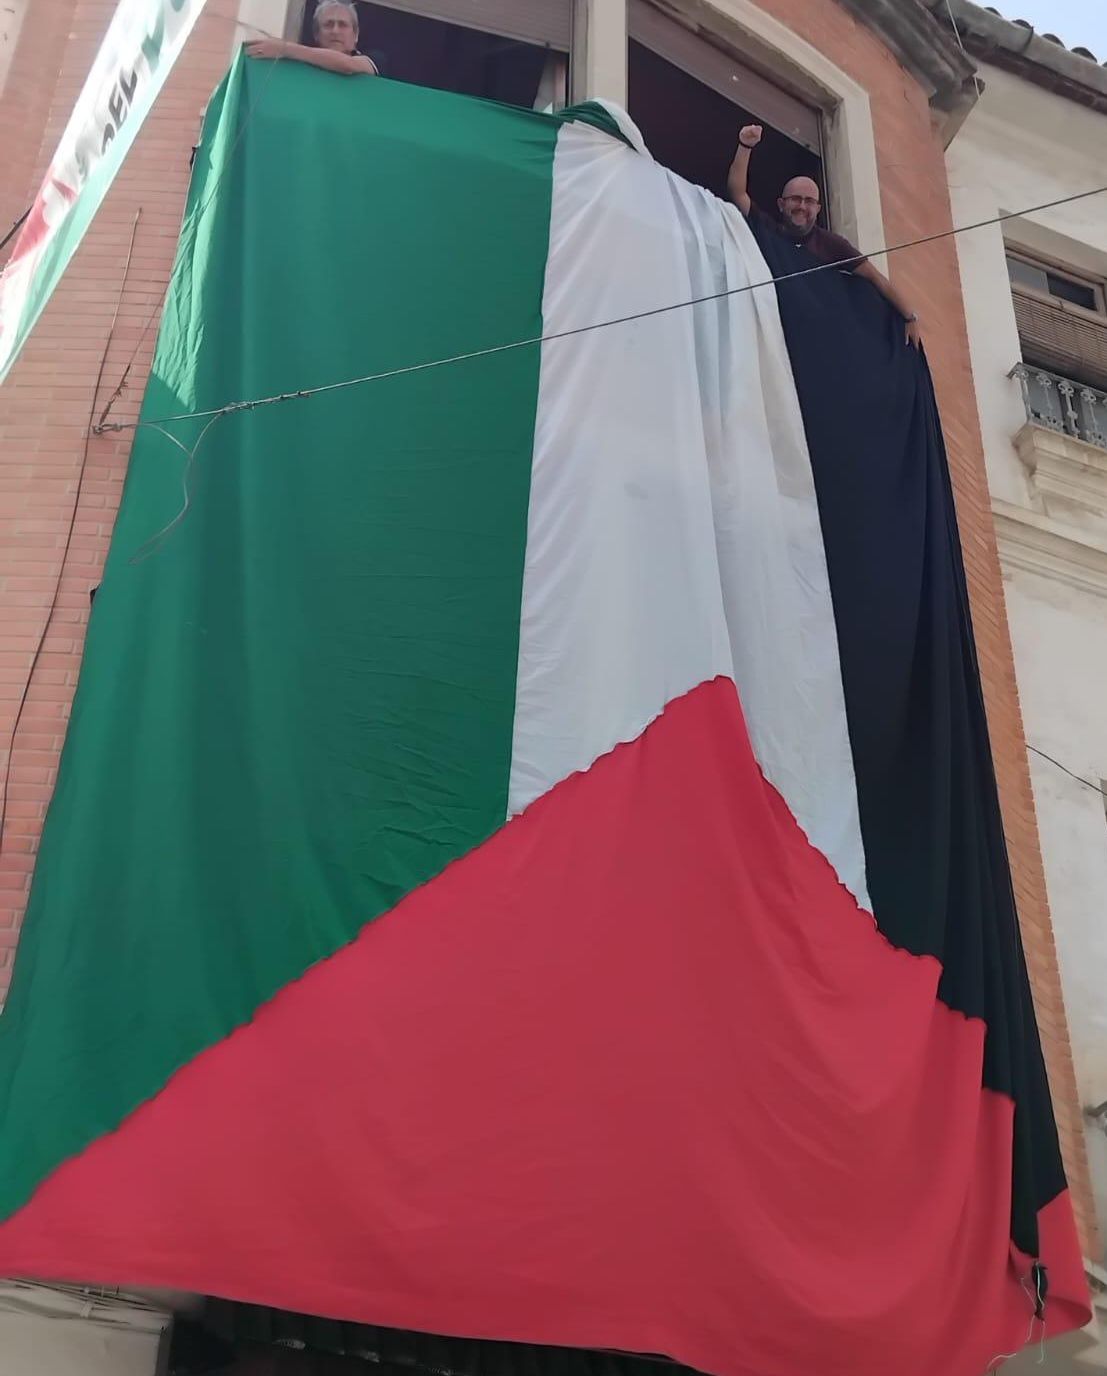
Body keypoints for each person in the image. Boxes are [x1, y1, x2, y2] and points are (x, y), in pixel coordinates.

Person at [727, 124, 921, 348]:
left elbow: (874, 277)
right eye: (795, 199)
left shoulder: (831, 245)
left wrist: (910, 316)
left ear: (818, 209)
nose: (802, 206)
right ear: (781, 204)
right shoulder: (769, 230)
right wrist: (745, 146)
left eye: (809, 201)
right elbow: (737, 193)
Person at [246, 0, 381, 77]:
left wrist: (284, 49)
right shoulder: (300, 67)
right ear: (317, 34)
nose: (335, 30)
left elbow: (347, 65)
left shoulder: (376, 58)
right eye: (328, 24)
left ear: (356, 35)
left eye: (343, 25)